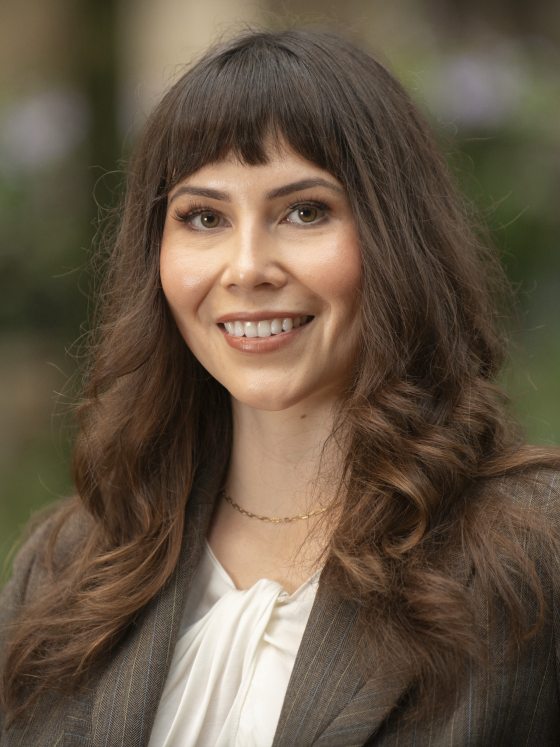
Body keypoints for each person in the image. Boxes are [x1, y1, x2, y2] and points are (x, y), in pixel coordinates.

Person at [1, 28, 559, 747]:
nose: (246, 267)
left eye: (304, 211)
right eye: (204, 217)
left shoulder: (529, 553)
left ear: (396, 238)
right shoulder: (67, 564)